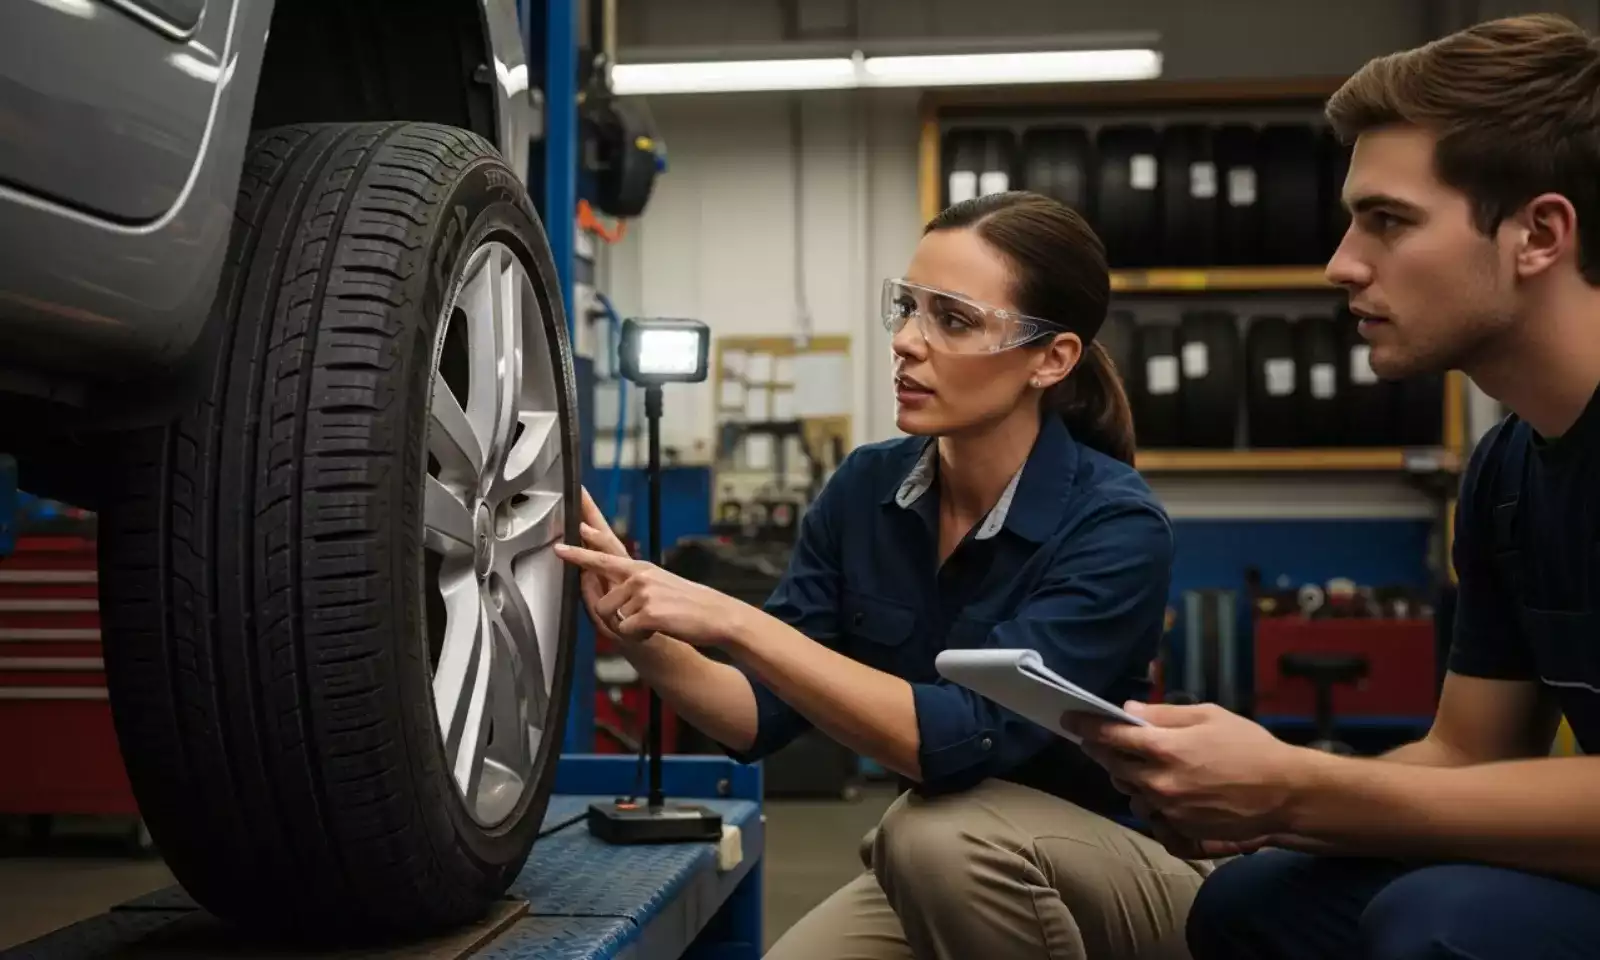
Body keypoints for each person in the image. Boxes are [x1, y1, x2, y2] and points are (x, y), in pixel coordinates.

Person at [1069, 12, 1600, 960]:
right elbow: (1467, 755)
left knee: (1436, 928)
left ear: (1539, 234)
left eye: (1388, 221)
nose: (1341, 262)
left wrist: (1301, 789)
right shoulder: (1509, 471)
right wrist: (1262, 804)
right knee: (1253, 899)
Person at [555, 190, 1207, 959]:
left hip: (1112, 873)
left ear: (1052, 359)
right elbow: (753, 716)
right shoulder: (867, 490)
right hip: (940, 861)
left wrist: (734, 619)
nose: (905, 341)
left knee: (929, 832)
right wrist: (633, 623)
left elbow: (957, 744)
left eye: (952, 320)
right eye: (906, 308)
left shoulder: (1114, 526)